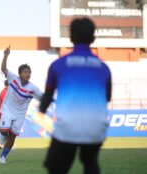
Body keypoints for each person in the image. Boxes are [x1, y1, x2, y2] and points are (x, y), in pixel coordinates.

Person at [39, 17, 112, 174]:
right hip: (96, 127)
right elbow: (107, 97)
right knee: (90, 162)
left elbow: (47, 96)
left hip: (67, 127)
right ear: (93, 38)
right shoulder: (104, 67)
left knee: (56, 168)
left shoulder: (58, 65)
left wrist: (40, 112)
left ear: (71, 37)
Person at [0, 46, 43, 164]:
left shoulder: (33, 88)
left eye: (29, 72)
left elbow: (43, 97)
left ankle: (3, 156)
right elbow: (3, 69)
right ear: (19, 74)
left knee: (12, 137)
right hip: (8, 110)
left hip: (20, 115)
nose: (27, 74)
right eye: (25, 72)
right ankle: (3, 136)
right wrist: (5, 55)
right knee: (3, 131)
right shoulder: (13, 78)